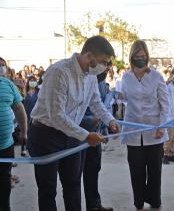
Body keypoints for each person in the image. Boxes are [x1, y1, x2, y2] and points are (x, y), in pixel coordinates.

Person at [27, 36, 120, 211]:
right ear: (90, 56)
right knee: (47, 189)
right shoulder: (59, 72)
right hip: (46, 135)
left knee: (73, 184)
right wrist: (86, 136)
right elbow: (56, 116)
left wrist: (110, 120)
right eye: (104, 62)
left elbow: (96, 102)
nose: (106, 68)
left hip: (72, 134)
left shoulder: (91, 76)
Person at [120, 40, 169, 211]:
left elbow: (165, 103)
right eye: (137, 56)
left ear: (147, 57)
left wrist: (162, 126)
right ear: (132, 57)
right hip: (133, 132)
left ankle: (154, 201)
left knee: (154, 171)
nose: (140, 59)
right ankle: (138, 202)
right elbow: (123, 98)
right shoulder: (126, 77)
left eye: (143, 56)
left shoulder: (156, 77)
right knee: (136, 170)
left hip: (155, 131)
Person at [80, 65, 115, 211]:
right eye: (105, 64)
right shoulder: (81, 78)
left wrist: (105, 129)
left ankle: (94, 205)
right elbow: (72, 111)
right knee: (73, 176)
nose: (108, 68)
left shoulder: (100, 82)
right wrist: (90, 120)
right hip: (78, 135)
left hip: (96, 135)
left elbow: (101, 106)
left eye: (109, 65)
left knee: (93, 169)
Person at [0, 57, 28, 211]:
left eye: (2, 66)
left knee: (4, 182)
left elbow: (19, 108)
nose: (1, 69)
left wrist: (24, 131)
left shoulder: (8, 84)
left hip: (5, 145)